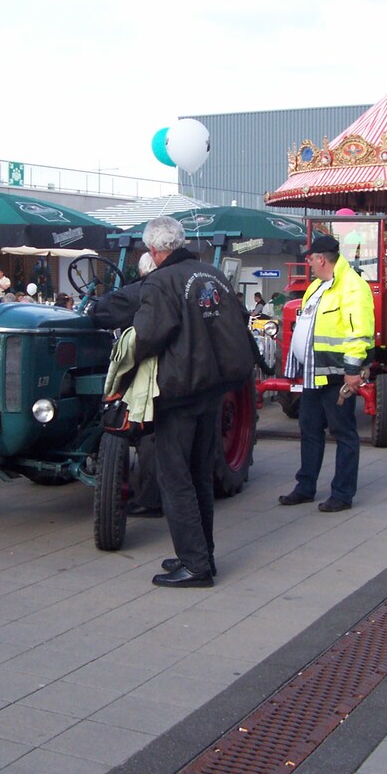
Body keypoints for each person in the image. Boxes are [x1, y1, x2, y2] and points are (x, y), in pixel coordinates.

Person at [132, 217, 255, 587]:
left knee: (175, 478)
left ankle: (195, 565)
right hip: (212, 389)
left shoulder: (160, 281)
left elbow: (149, 334)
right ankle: (203, 554)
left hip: (180, 392)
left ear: (153, 250)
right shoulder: (211, 274)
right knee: (200, 475)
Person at [279, 234, 375, 511]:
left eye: (310, 258)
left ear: (321, 259)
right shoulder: (317, 286)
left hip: (336, 376)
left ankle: (342, 494)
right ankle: (305, 487)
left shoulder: (353, 286)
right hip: (314, 374)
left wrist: (352, 371)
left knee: (343, 433)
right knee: (309, 429)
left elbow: (359, 332)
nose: (308, 263)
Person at [92, 251, 163, 518]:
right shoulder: (182, 287)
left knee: (146, 429)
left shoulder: (137, 292)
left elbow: (100, 313)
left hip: (149, 373)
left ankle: (151, 499)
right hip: (182, 368)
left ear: (142, 272)